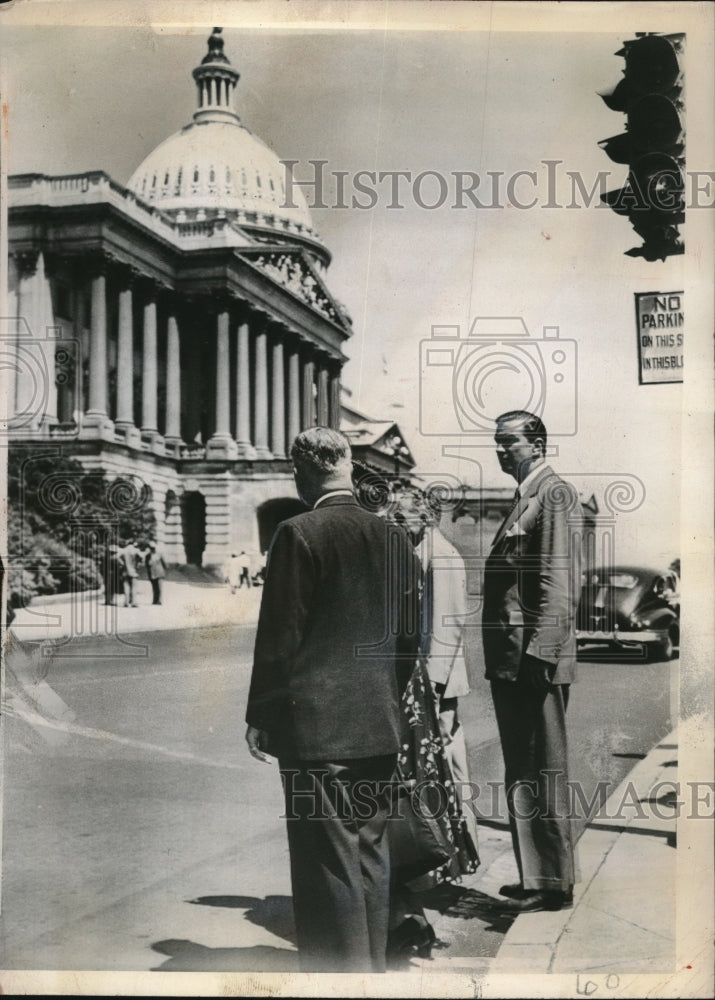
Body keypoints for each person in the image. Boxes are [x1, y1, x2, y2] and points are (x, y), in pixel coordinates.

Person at [245, 427, 420, 973]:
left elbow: (280, 637)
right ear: (347, 467)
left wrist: (262, 716)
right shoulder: (396, 539)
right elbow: (410, 639)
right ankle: (370, 973)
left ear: (301, 472)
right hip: (378, 723)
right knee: (371, 857)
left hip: (317, 733)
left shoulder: (297, 534)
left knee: (327, 869)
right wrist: (383, 697)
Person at [482, 410, 582, 913]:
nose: (501, 451)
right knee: (524, 767)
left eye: (510, 443)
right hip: (515, 661)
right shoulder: (528, 496)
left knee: (543, 769)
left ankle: (553, 884)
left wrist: (540, 657)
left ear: (537, 444)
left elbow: (557, 587)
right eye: (496, 443)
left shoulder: (553, 495)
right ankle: (537, 877)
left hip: (532, 661)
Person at [387, 490, 479, 962]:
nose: (395, 523)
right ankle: (440, 862)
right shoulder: (420, 549)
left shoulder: (441, 557)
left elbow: (447, 626)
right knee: (437, 775)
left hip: (435, 683)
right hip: (424, 681)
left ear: (424, 517)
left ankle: (447, 858)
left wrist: (435, 692)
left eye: (402, 517)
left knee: (442, 770)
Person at [118, 538, 140, 607]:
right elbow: (141, 556)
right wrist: (137, 563)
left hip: (125, 571)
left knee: (126, 587)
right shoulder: (135, 550)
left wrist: (122, 563)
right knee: (134, 587)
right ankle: (134, 602)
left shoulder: (124, 550)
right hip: (133, 571)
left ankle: (126, 602)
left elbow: (117, 557)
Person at [145, 541, 167, 606]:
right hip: (152, 573)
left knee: (159, 588)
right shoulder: (148, 556)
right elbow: (146, 565)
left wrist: (164, 570)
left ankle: (159, 601)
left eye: (153, 548)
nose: (152, 549)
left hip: (159, 573)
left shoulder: (160, 554)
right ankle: (154, 600)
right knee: (154, 587)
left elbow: (164, 563)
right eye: (151, 548)